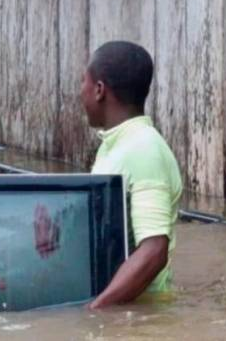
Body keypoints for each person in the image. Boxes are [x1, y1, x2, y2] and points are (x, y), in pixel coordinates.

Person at [80, 41, 182, 308]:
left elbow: (154, 250)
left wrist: (96, 310)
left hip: (140, 317)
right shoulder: (115, 145)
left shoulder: (143, 149)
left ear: (99, 90)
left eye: (84, 82)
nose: (81, 92)